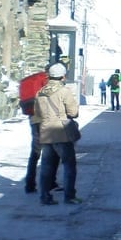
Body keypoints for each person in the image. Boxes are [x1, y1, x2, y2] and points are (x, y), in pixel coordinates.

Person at [35, 63, 80, 206]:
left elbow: (37, 114)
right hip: (61, 133)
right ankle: (69, 196)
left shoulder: (41, 91)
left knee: (47, 166)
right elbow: (73, 113)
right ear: (63, 76)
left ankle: (44, 196)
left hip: (46, 132)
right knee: (69, 165)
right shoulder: (64, 91)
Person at [18, 68, 49, 194]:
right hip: (45, 119)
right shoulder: (47, 81)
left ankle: (29, 184)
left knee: (35, 153)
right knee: (49, 153)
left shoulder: (34, 79)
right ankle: (48, 184)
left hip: (33, 118)